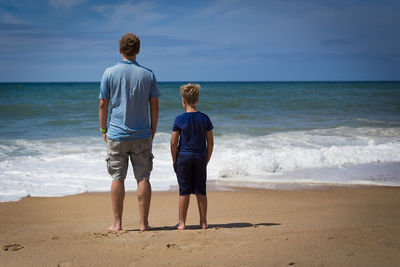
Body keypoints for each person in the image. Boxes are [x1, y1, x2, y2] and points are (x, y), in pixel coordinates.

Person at [99, 33, 160, 231]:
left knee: (117, 177)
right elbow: (154, 107)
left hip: (116, 134)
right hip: (142, 133)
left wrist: (103, 129)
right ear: (138, 50)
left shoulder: (109, 72)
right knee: (143, 177)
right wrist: (152, 130)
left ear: (120, 50)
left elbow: (103, 104)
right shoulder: (148, 74)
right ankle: (143, 224)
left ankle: (117, 224)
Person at [170, 83, 214, 230]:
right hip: (200, 157)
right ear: (197, 99)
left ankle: (182, 223)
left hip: (183, 157)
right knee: (201, 190)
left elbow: (173, 142)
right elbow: (211, 143)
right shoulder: (204, 118)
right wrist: (206, 159)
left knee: (184, 191)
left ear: (183, 100)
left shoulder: (179, 119)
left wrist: (174, 160)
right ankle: (204, 222)